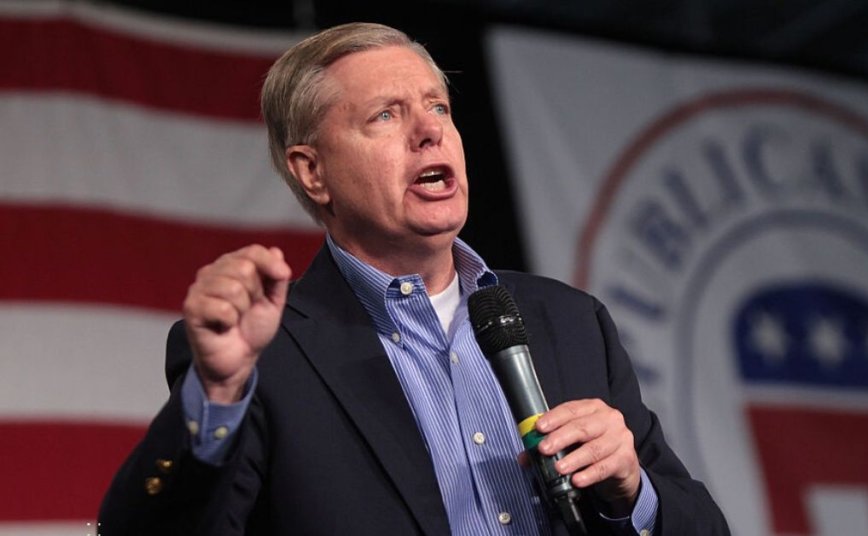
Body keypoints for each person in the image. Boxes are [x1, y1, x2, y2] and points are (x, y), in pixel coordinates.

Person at [98, 22, 729, 536]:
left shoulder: (570, 321)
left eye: (438, 107)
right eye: (385, 116)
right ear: (313, 172)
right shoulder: (264, 357)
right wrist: (218, 394)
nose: (430, 131)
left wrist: (633, 495)